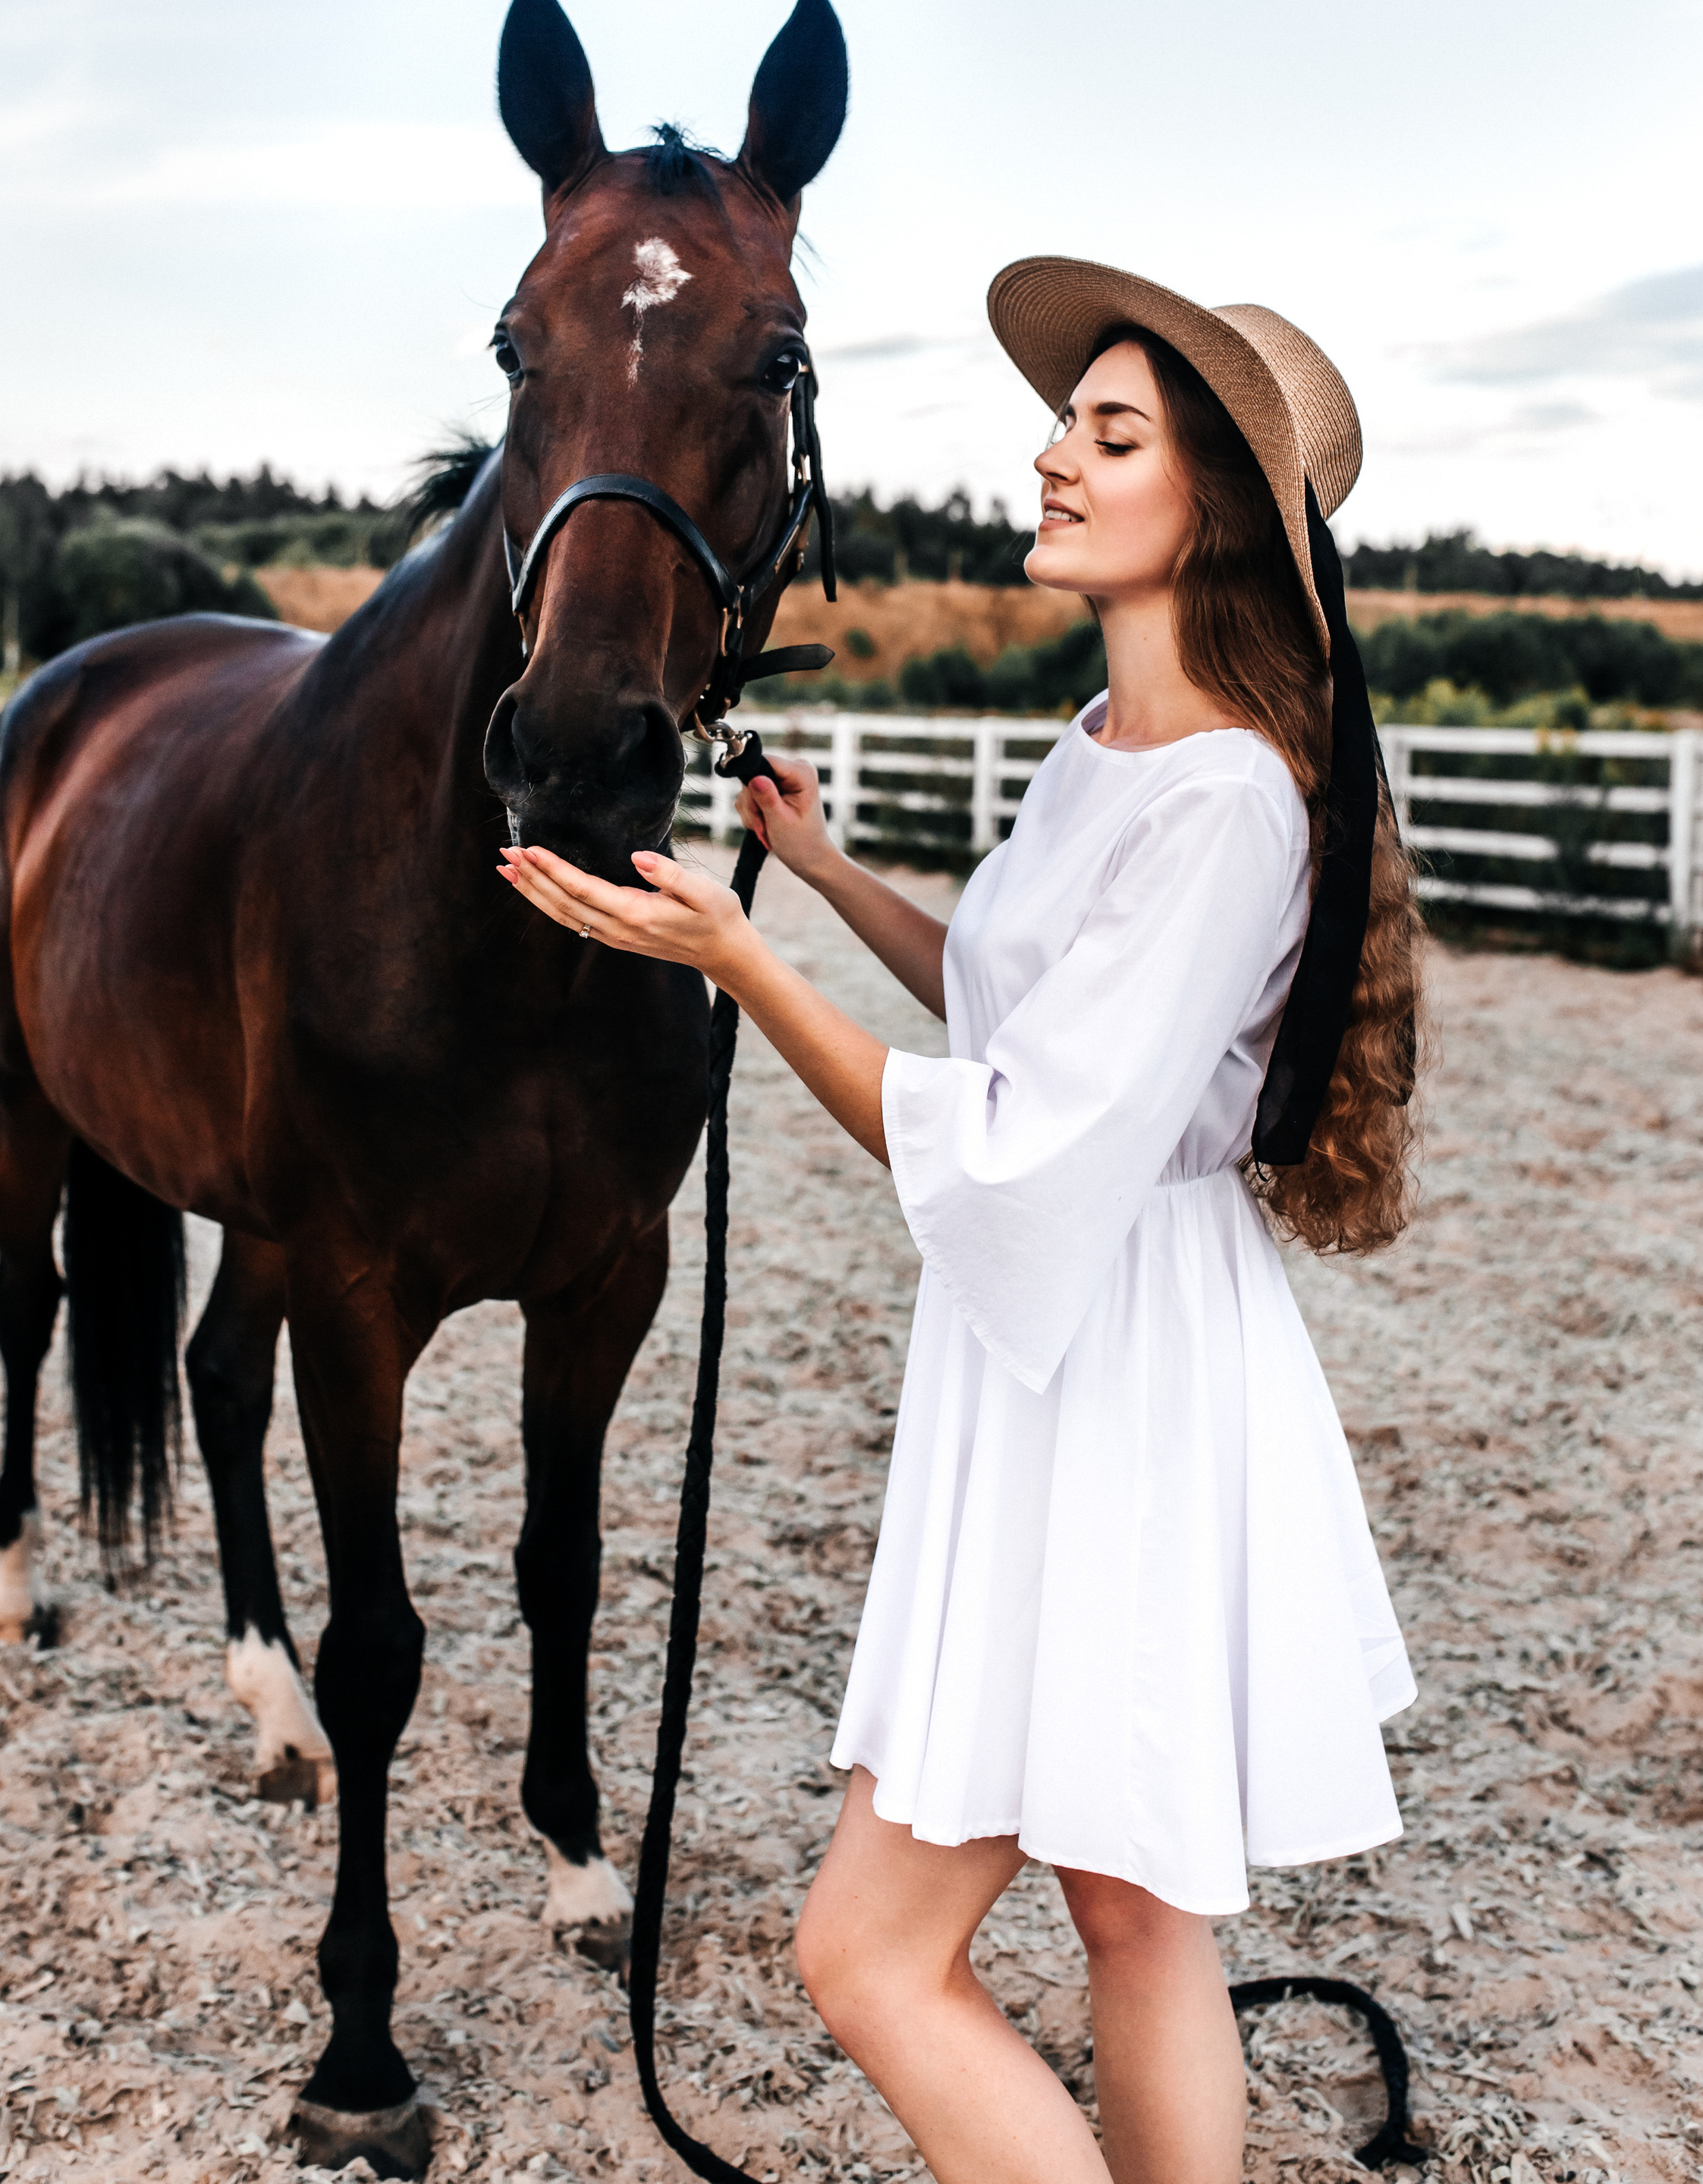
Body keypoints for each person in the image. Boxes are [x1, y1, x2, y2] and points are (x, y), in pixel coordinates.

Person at [499, 257, 1424, 2184]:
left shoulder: (1229, 806)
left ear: (1217, 513)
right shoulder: (1107, 750)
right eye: (1064, 425)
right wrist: (824, 877)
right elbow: (1026, 1023)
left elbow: (1019, 1154)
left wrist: (737, 961)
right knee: (1132, 1915)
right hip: (1079, 1321)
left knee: (865, 1957)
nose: (1051, 459)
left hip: (1109, 1353)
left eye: (1109, 435)